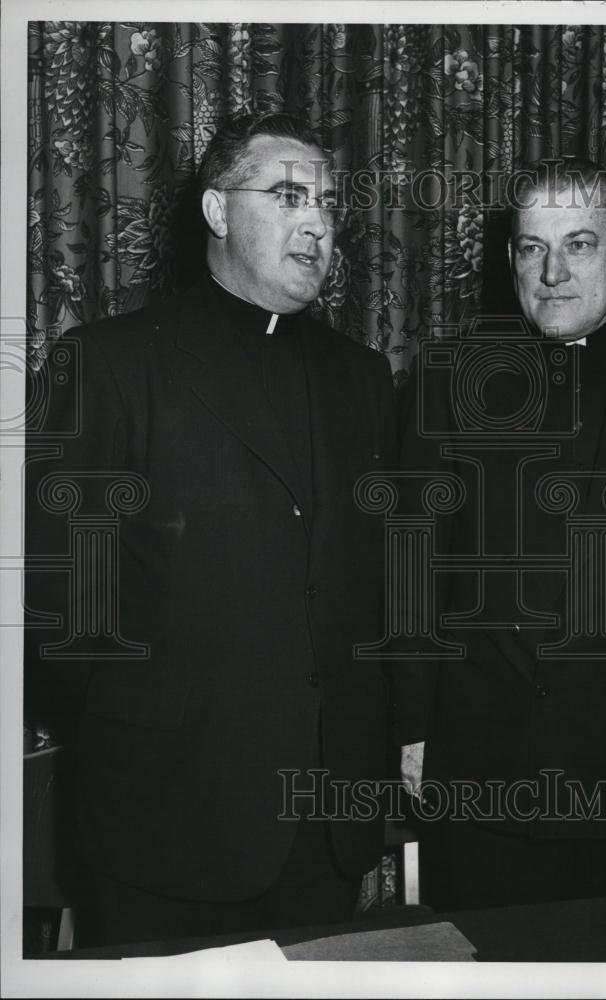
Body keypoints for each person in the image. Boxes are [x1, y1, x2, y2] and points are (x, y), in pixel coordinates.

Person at [25, 113, 396, 946]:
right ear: (219, 211)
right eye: (289, 195)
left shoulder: (361, 377)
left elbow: (371, 591)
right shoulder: (111, 363)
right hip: (167, 822)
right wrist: (144, 729)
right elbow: (60, 598)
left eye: (329, 203)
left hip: (322, 825)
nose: (317, 223)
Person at [393, 158, 606, 908]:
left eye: (577, 244)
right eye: (530, 247)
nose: (551, 271)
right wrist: (414, 731)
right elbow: (411, 573)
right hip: (490, 765)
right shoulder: (446, 377)